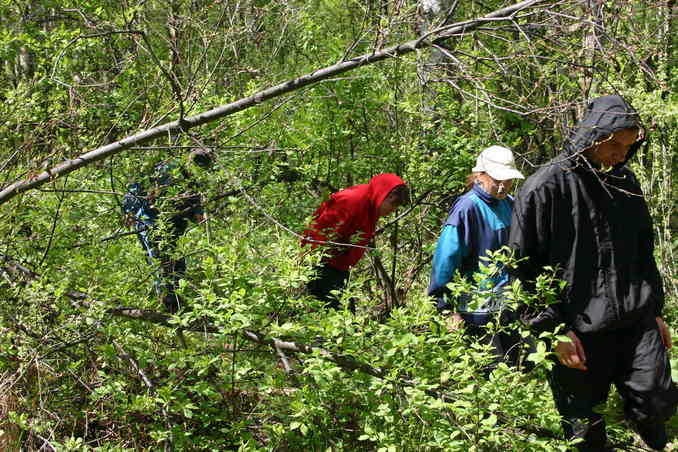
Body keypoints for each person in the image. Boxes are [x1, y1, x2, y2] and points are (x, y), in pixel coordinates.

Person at [509, 95, 677, 451]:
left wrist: (655, 311)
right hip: (578, 329)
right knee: (584, 429)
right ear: (593, 134)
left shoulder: (625, 182)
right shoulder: (545, 187)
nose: (620, 153)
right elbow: (522, 266)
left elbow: (643, 250)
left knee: (657, 398)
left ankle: (652, 440)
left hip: (635, 319)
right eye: (614, 144)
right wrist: (551, 331)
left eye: (628, 146)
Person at [428, 145, 526, 371]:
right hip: (475, 313)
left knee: (515, 371)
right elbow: (445, 262)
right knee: (487, 374)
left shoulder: (509, 203)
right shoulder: (467, 209)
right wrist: (446, 309)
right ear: (480, 175)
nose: (503, 185)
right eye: (498, 179)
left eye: (508, 179)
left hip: (507, 309)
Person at [122, 148, 214, 313]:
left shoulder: (189, 176)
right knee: (159, 261)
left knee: (177, 263)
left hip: (174, 225)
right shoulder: (164, 167)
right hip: (150, 222)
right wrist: (130, 212)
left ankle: (175, 302)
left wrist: (198, 212)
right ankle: (165, 303)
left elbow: (195, 199)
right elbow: (135, 187)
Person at [302, 173, 409, 310]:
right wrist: (311, 268)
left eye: (396, 206)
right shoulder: (351, 201)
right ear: (383, 194)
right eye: (392, 204)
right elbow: (321, 236)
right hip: (322, 265)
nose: (393, 210)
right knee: (337, 318)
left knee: (345, 316)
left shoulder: (372, 205)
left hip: (338, 267)